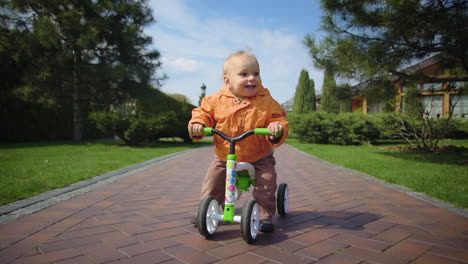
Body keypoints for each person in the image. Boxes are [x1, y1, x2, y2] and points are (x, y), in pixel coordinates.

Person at [188, 50, 289, 232]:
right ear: (228, 81)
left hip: (259, 155)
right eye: (244, 74)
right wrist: (198, 123)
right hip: (225, 154)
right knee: (213, 180)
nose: (252, 78)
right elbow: (203, 112)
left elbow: (278, 117)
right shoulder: (217, 100)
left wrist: (276, 127)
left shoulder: (266, 101)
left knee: (266, 182)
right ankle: (206, 210)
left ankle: (265, 215)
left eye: (256, 74)